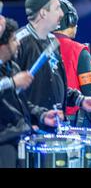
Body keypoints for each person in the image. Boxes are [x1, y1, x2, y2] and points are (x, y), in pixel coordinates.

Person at [15, 0, 91, 130]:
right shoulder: (19, 43)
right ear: (43, 13)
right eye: (57, 8)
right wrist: (38, 116)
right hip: (31, 131)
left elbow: (56, 85)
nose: (61, 14)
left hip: (55, 127)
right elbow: (10, 94)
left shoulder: (52, 42)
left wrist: (80, 100)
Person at [0, 17, 64, 168]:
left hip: (20, 140)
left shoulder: (13, 68)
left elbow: (22, 103)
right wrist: (13, 82)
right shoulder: (13, 76)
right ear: (2, 46)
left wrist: (42, 115)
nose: (18, 43)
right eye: (13, 39)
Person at [53, 0, 91, 129]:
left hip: (47, 119)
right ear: (70, 20)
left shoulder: (40, 46)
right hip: (74, 122)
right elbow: (90, 90)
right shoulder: (79, 51)